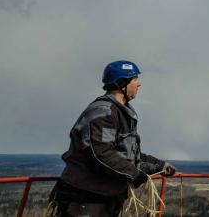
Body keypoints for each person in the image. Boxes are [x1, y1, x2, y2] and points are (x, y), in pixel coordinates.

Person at [49, 60, 177, 217]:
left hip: (104, 199)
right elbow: (100, 154)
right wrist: (135, 175)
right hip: (86, 198)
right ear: (122, 83)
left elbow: (127, 156)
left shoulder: (121, 112)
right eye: (135, 79)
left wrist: (158, 166)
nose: (139, 84)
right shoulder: (103, 113)